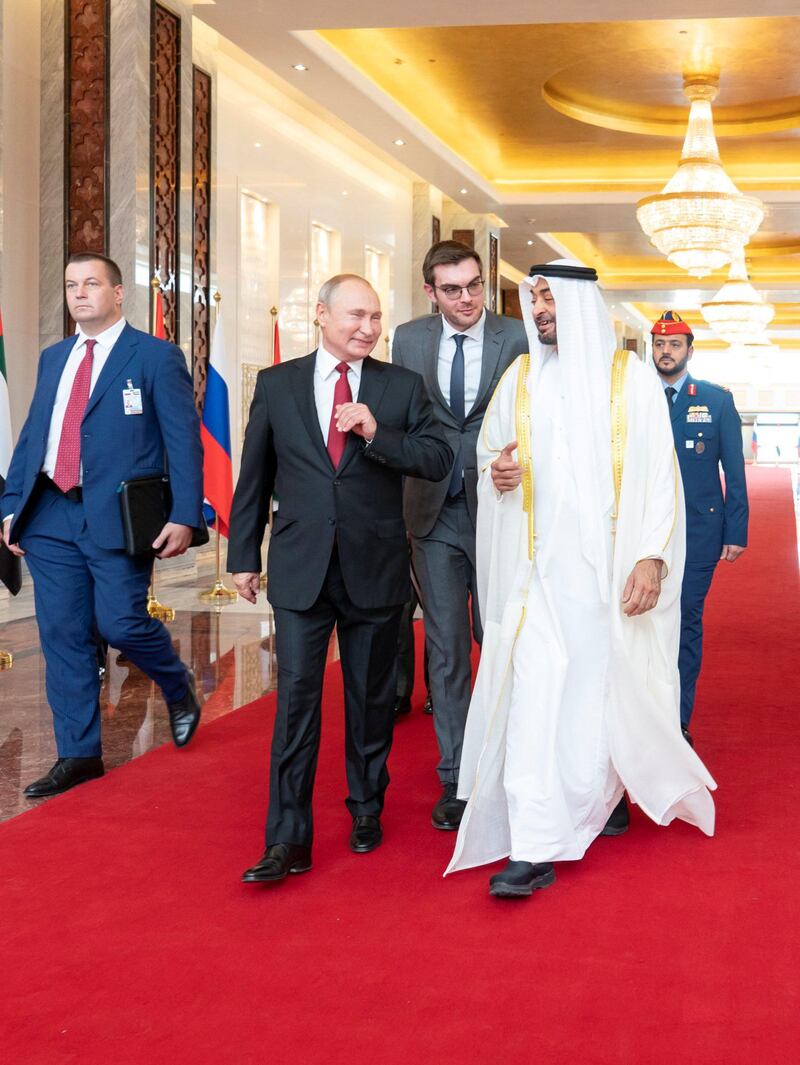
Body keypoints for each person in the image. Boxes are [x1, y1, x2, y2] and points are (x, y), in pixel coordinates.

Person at [445, 260, 717, 898]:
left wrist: (651, 556)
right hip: (535, 574)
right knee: (539, 695)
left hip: (606, 579)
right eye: (533, 300)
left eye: (549, 299)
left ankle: (601, 791)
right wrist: (498, 476)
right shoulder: (519, 380)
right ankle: (538, 838)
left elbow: (659, 479)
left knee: (597, 695)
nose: (539, 310)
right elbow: (492, 458)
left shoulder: (632, 382)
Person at [227, 275, 451, 885]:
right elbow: (254, 474)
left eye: (376, 318)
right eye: (357, 316)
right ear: (321, 315)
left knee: (370, 700)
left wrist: (377, 433)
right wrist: (243, 555)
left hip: (374, 569)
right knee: (295, 705)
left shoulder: (399, 387)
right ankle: (287, 840)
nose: (369, 328)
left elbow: (437, 458)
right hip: (301, 569)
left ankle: (366, 806)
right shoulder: (277, 385)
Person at [0, 253, 205, 798]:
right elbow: (33, 436)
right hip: (50, 513)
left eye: (91, 283)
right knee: (63, 634)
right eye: (71, 285)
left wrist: (186, 513)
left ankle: (175, 682)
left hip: (116, 514)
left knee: (120, 623)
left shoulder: (156, 357)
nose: (80, 293)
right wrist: (11, 504)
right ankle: (79, 754)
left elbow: (183, 440)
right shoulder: (54, 357)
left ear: (118, 293)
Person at [391, 241, 527, 830]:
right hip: (433, 508)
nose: (467, 298)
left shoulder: (517, 338)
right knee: (446, 648)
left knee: (501, 637)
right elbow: (401, 417)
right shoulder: (408, 338)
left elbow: (537, 412)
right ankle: (459, 775)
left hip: (504, 505)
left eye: (475, 286)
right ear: (431, 292)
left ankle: (515, 761)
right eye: (453, 289)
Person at [651, 311, 748, 744]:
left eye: (673, 345)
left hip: (699, 532)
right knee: (645, 622)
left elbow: (734, 470)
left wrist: (736, 530)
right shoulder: (636, 398)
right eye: (658, 344)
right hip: (644, 531)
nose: (665, 352)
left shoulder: (715, 400)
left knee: (685, 618)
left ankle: (677, 718)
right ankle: (645, 709)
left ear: (690, 350)